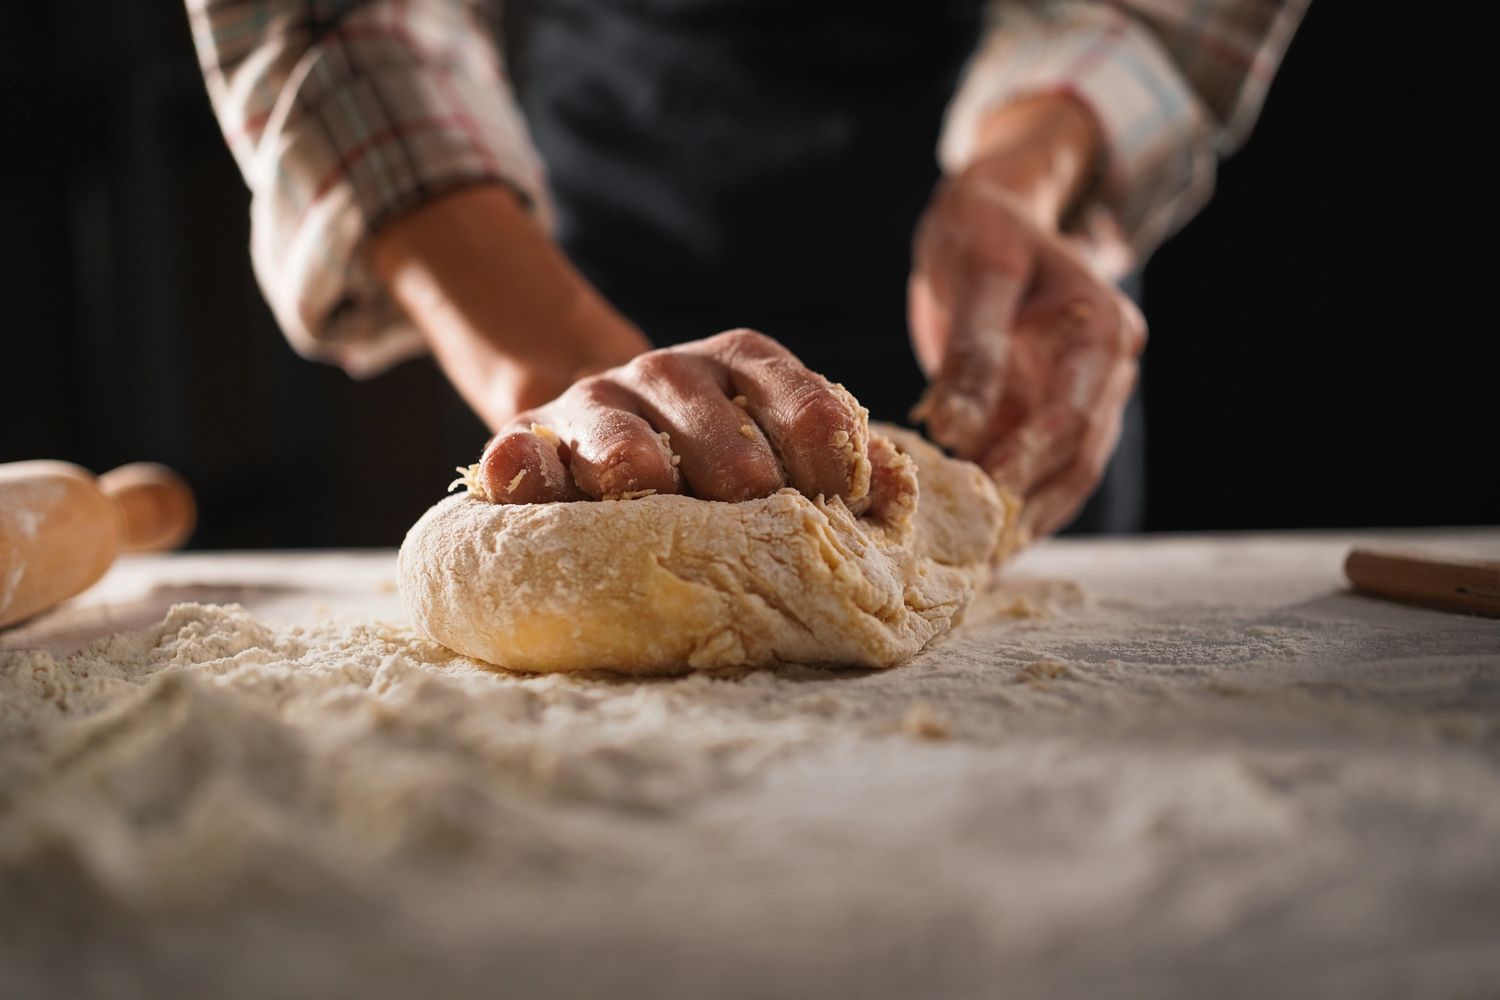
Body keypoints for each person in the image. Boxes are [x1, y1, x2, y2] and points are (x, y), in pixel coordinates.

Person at [186, 0, 1306, 539]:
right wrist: (559, 359)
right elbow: (335, 21)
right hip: (582, 243)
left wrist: (1023, 171)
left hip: (996, 293)